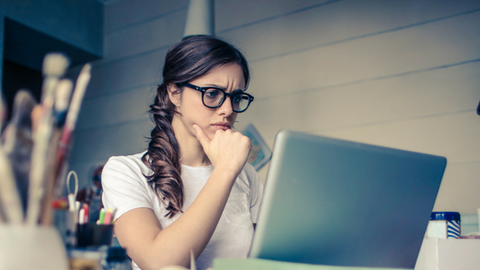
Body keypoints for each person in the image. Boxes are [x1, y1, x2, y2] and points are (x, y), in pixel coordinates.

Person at [101, 35, 263, 270]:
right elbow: (159, 262)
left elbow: (265, 260)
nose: (228, 110)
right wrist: (225, 171)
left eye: (236, 97)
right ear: (175, 92)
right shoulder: (125, 171)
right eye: (212, 93)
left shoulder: (246, 175)